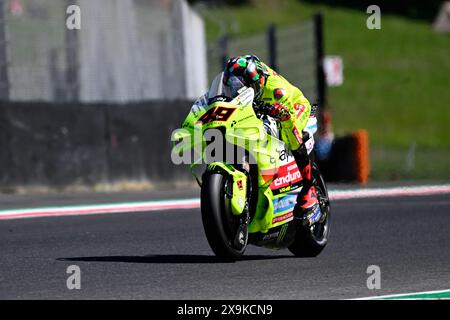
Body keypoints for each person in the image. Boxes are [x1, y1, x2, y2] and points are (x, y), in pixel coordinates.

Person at [222, 54, 321, 225]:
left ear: (256, 83)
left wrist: (278, 112)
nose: (237, 91)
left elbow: (287, 114)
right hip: (262, 106)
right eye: (233, 86)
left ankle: (309, 188)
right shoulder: (247, 79)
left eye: (242, 87)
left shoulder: (276, 91)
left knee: (291, 135)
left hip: (293, 106)